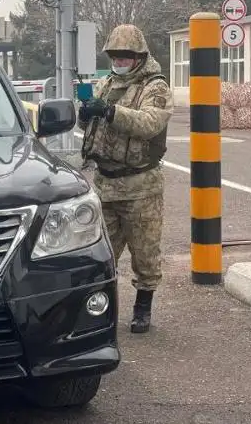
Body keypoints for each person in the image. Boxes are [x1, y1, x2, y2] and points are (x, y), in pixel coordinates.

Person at [78, 23, 173, 334]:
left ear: (139, 57)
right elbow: (99, 127)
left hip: (140, 187)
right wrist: (89, 114)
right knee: (100, 256)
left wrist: (109, 112)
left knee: (146, 256)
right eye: (115, 56)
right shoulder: (107, 84)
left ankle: (143, 307)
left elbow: (149, 123)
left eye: (126, 56)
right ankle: (99, 311)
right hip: (105, 186)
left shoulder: (155, 87)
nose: (119, 61)